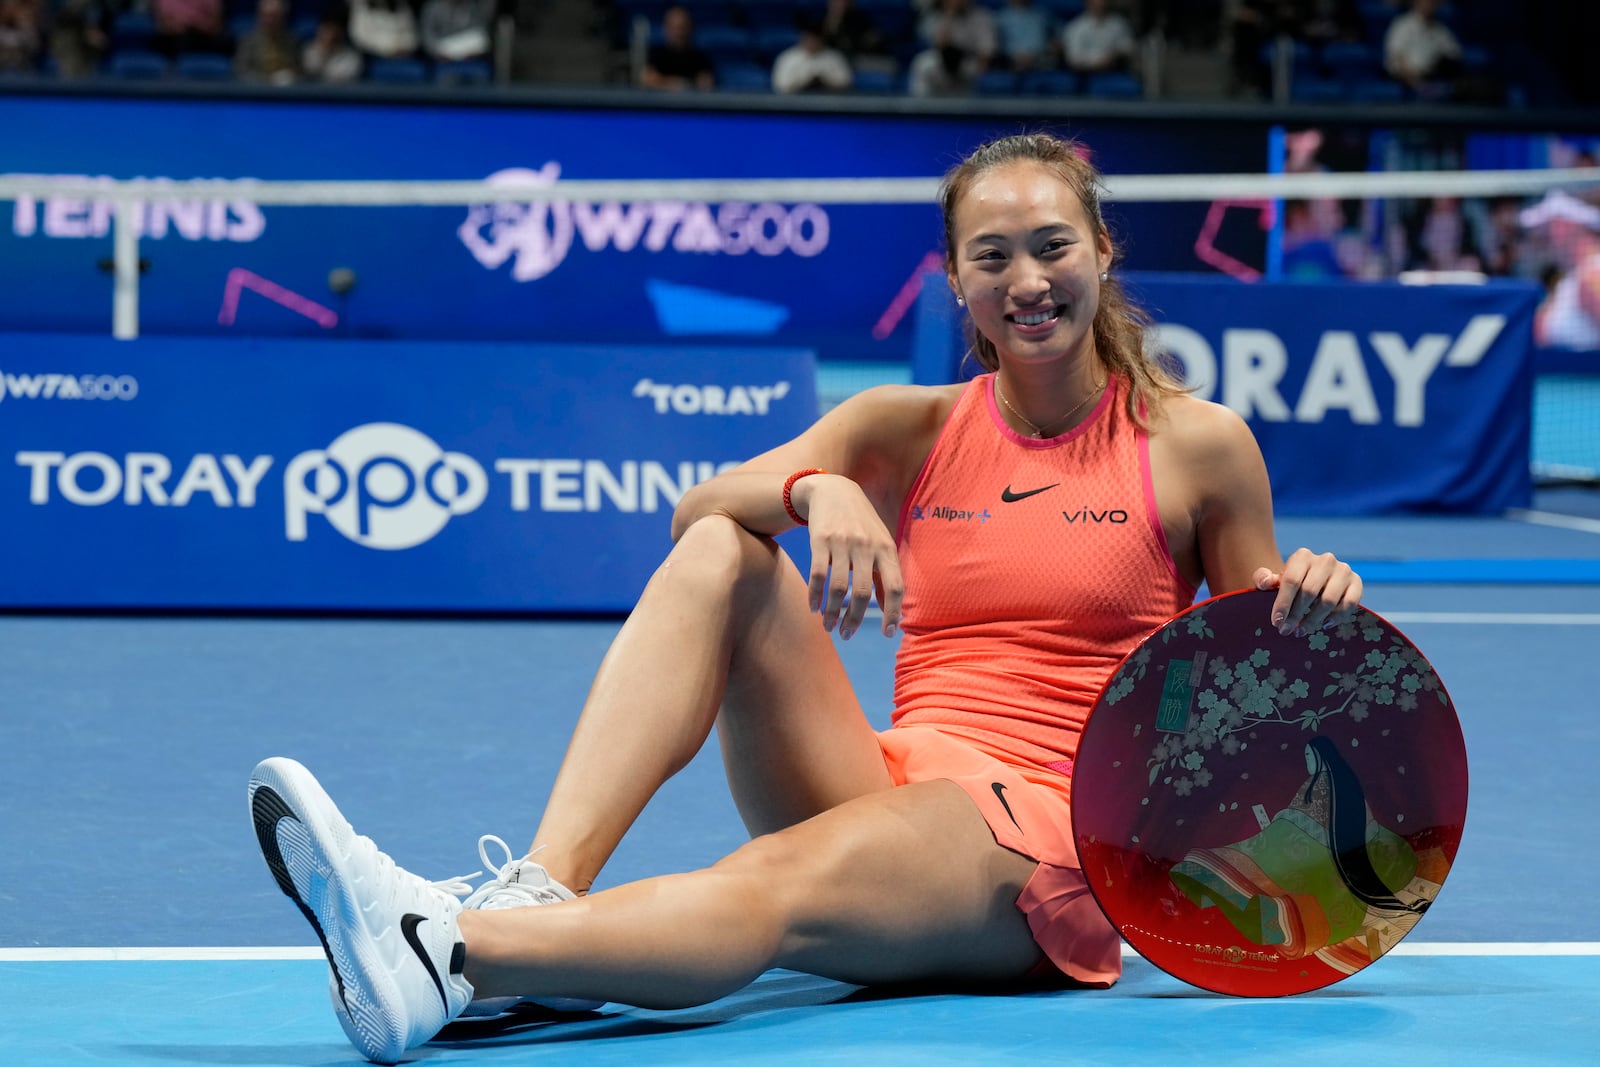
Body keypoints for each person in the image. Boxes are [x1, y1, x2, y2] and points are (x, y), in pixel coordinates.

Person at [249, 132, 1365, 1066]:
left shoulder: (1196, 446)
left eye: (1051, 245)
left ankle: (450, 948)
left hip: (1042, 840)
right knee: (722, 555)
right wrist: (815, 485)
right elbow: (697, 508)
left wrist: (1318, 605)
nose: (1026, 280)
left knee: (771, 885)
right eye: (993, 256)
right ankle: (544, 890)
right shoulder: (905, 425)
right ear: (957, 281)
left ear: (1102, 252)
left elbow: (1257, 697)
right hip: (887, 775)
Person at [1521, 190, 1600, 351]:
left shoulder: (1592, 274)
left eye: (1547, 232)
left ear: (1563, 227)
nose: (1545, 242)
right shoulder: (1572, 278)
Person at [907, 0, 995, 96]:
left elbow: (987, 52)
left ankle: (970, 107)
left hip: (967, 61)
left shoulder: (980, 17)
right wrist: (949, 14)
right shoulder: (938, 16)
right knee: (922, 63)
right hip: (942, 61)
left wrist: (980, 70)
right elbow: (939, 44)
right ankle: (921, 106)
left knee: (970, 71)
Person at [1382, 0, 1459, 98]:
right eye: (1425, 2)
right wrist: (1417, 83)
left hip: (1432, 77)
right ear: (1416, 3)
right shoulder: (1402, 25)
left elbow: (1454, 55)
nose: (1428, 5)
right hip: (1403, 79)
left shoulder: (1441, 30)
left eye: (1432, 3)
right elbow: (1396, 58)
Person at [639, 4, 713, 91]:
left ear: (690, 28)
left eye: (682, 27)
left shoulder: (700, 57)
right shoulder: (657, 54)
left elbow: (706, 83)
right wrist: (678, 84)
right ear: (666, 29)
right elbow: (648, 79)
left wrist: (663, 81)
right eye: (674, 28)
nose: (679, 32)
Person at [770, 17, 852, 94]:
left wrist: (823, 82)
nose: (812, 41)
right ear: (802, 37)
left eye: (815, 38)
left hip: (829, 104)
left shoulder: (835, 57)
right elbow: (780, 87)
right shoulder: (787, 58)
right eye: (809, 37)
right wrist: (805, 83)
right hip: (794, 105)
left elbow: (846, 84)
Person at [233, 0, 301, 83]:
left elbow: (300, 71)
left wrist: (290, 76)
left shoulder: (293, 41)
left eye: (274, 16)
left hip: (288, 91)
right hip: (257, 91)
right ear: (259, 16)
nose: (270, 20)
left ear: (282, 17)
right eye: (266, 16)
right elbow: (241, 71)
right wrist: (269, 79)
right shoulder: (248, 41)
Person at [1060, 0, 1134, 76]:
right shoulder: (1076, 27)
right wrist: (1098, 64)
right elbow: (1074, 60)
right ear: (1088, 2)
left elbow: (1128, 49)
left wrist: (1113, 57)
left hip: (1114, 70)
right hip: (1084, 74)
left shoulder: (1119, 24)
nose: (1100, 4)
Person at [302, 11, 364, 83]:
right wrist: (323, 54)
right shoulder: (308, 50)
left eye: (334, 29)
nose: (330, 34)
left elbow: (338, 82)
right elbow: (307, 74)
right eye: (327, 28)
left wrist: (329, 53)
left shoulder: (352, 57)